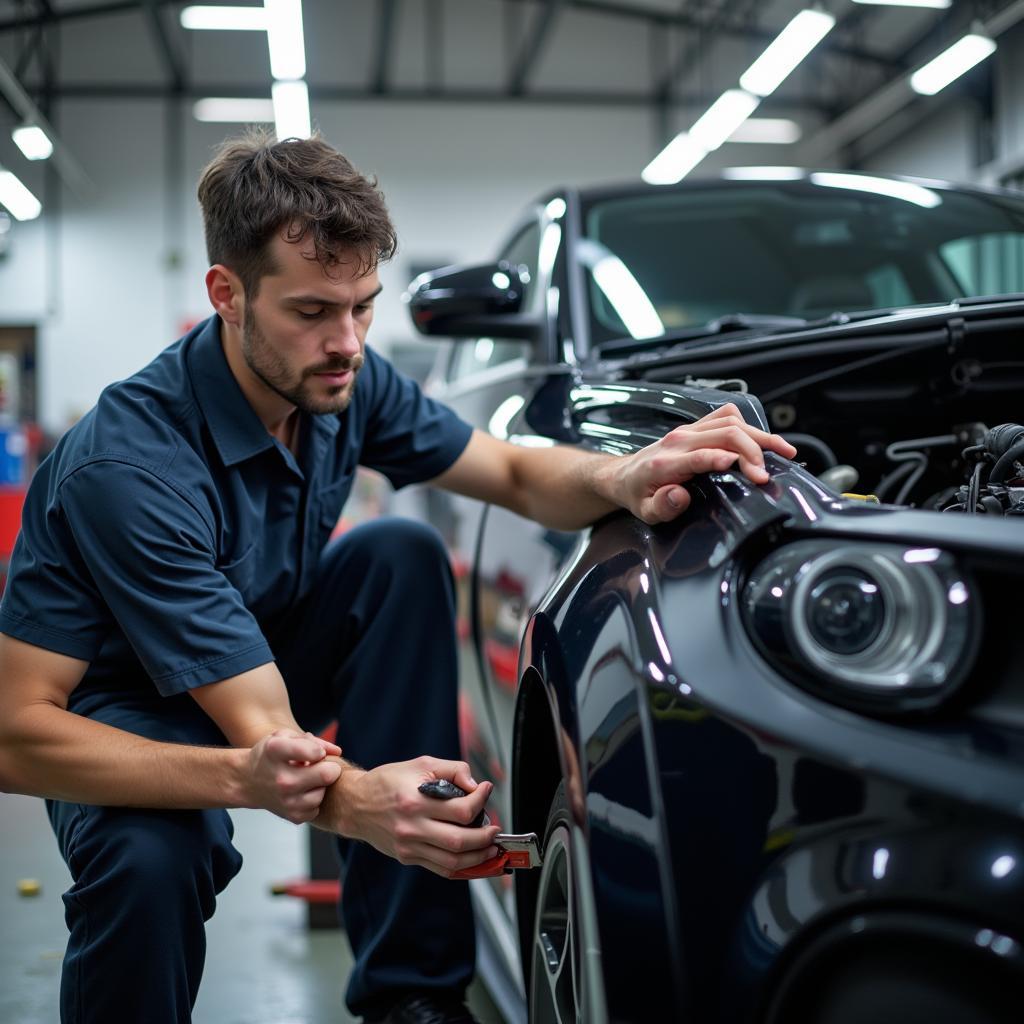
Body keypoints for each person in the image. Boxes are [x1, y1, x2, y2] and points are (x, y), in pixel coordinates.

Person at [0, 131, 796, 1024]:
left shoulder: (338, 379)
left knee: (398, 558)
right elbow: (15, 734)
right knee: (150, 857)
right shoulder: (130, 468)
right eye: (310, 312)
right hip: (122, 711)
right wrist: (348, 802)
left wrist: (626, 473)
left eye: (363, 307)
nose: (346, 342)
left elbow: (516, 473)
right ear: (226, 294)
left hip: (250, 656)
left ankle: (411, 998)